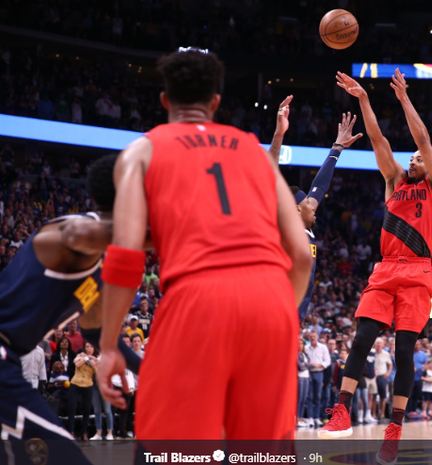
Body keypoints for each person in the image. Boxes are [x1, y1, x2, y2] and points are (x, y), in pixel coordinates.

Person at [96, 49, 312, 441]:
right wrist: (278, 311)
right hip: (271, 300)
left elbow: (126, 253)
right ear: (215, 102)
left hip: (197, 298)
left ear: (165, 100)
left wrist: (109, 345)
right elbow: (300, 255)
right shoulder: (255, 152)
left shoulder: (141, 151)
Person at [320, 69, 432, 465]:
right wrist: (363, 99)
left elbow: (423, 139)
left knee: (404, 349)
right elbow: (378, 139)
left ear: (430, 165)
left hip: (417, 271)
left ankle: (394, 428)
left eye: (417, 158)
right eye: (409, 157)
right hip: (385, 269)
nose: (412, 159)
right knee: (361, 339)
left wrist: (404, 99)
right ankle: (341, 409)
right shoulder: (394, 181)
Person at [0, 155, 139, 465]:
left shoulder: (101, 261)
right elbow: (84, 236)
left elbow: (95, 329)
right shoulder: (77, 229)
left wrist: (147, 371)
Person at [269, 102, 363, 323]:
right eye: (307, 205)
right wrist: (279, 134)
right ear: (294, 209)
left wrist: (337, 148)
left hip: (296, 312)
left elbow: (319, 188)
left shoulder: (306, 224)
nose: (314, 206)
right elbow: (270, 173)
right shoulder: (281, 224)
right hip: (276, 307)